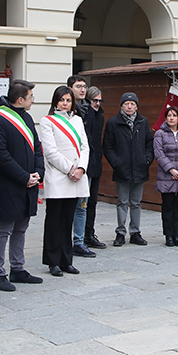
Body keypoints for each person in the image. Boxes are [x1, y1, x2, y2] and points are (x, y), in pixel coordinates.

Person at [0, 80, 45, 292]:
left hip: (28, 182)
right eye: (30, 97)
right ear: (20, 99)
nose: (32, 101)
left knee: (21, 227)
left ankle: (17, 268)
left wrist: (39, 173)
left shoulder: (26, 117)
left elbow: (37, 148)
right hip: (9, 184)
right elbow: (0, 156)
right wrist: (23, 177)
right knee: (5, 228)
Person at [38, 86, 89, 277]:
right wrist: (70, 169)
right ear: (55, 102)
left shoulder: (77, 120)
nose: (65, 103)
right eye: (62, 100)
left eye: (68, 100)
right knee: (54, 220)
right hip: (59, 176)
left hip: (77, 177)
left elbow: (85, 147)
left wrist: (81, 169)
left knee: (68, 220)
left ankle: (67, 260)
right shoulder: (47, 121)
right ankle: (53, 261)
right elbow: (50, 151)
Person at [102, 91, 153, 246]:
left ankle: (135, 232)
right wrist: (116, 163)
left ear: (137, 106)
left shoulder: (143, 122)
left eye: (132, 104)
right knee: (122, 201)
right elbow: (108, 146)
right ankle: (120, 232)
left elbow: (149, 143)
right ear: (121, 106)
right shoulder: (113, 122)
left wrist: (147, 160)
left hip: (140, 167)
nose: (129, 107)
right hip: (122, 168)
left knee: (136, 202)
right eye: (126, 104)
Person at [66, 75, 98, 258]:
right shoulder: (65, 111)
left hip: (86, 165)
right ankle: (66, 240)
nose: (82, 90)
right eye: (78, 86)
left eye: (84, 86)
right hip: (68, 165)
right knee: (68, 206)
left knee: (82, 205)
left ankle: (79, 241)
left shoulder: (90, 110)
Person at [154, 106, 178, 246]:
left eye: (174, 115)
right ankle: (168, 235)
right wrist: (171, 169)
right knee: (168, 206)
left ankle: (177, 234)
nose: (171, 118)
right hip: (167, 175)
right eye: (169, 115)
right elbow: (159, 153)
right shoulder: (160, 134)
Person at [81, 86, 107, 250]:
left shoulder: (100, 116)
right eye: (94, 100)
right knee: (83, 202)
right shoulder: (85, 114)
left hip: (96, 161)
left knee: (93, 201)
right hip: (86, 163)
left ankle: (90, 233)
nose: (97, 103)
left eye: (99, 100)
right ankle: (82, 234)